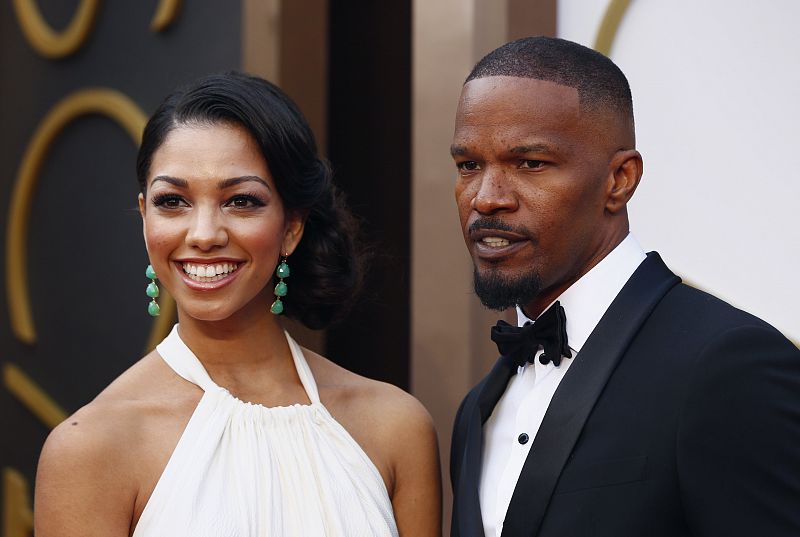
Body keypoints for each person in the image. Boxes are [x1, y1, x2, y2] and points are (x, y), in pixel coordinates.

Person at [34, 72, 441, 536]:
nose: (204, 234)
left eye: (241, 201)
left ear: (292, 226)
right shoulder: (93, 447)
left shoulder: (394, 427)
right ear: (145, 217)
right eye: (173, 201)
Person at [449, 36, 800, 537]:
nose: (487, 198)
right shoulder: (476, 411)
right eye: (469, 165)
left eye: (530, 163)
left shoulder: (727, 364)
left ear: (619, 180)